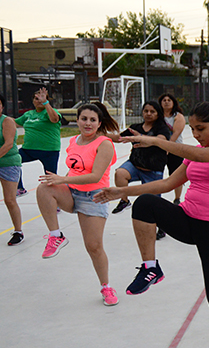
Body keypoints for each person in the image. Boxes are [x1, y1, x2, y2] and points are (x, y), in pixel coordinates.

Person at [95, 102, 209, 348]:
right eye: (193, 129)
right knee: (145, 204)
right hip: (188, 219)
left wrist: (153, 140)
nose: (196, 134)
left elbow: (201, 156)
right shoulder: (195, 153)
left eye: (201, 129)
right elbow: (166, 184)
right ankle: (151, 268)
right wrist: (121, 191)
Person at [35, 102, 120, 305]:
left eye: (92, 120)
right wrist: (62, 183)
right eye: (84, 119)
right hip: (72, 192)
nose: (87, 123)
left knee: (94, 246)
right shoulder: (74, 141)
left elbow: (95, 176)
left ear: (99, 123)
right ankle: (56, 235)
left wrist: (62, 179)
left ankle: (106, 287)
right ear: (78, 120)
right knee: (44, 188)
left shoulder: (105, 144)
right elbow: (75, 169)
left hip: (94, 196)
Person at [110, 100, 172, 218]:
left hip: (153, 170)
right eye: (146, 111)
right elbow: (119, 138)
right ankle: (124, 200)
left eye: (152, 111)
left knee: (152, 204)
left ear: (158, 114)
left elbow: (161, 140)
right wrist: (101, 135)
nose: (148, 114)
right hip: (134, 165)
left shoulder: (162, 128)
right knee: (120, 173)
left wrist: (142, 137)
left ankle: (159, 224)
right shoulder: (135, 128)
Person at [15, 86, 62, 197]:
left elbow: (54, 119)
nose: (39, 100)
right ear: (33, 101)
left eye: (42, 98)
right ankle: (19, 188)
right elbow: (15, 123)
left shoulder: (51, 112)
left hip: (49, 151)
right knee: (13, 160)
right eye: (37, 98)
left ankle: (56, 199)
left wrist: (46, 103)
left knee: (50, 177)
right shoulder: (28, 114)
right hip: (28, 150)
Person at [1, 94, 25, 245]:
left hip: (8, 163)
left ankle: (18, 231)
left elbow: (9, 143)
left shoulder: (7, 121)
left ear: (2, 106)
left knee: (10, 200)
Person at [159, 93, 188, 205]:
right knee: (157, 173)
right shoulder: (158, 116)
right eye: (164, 100)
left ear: (173, 102)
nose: (166, 102)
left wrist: (168, 147)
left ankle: (177, 198)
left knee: (176, 174)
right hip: (160, 148)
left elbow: (175, 134)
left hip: (175, 149)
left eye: (169, 100)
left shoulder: (178, 116)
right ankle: (156, 195)